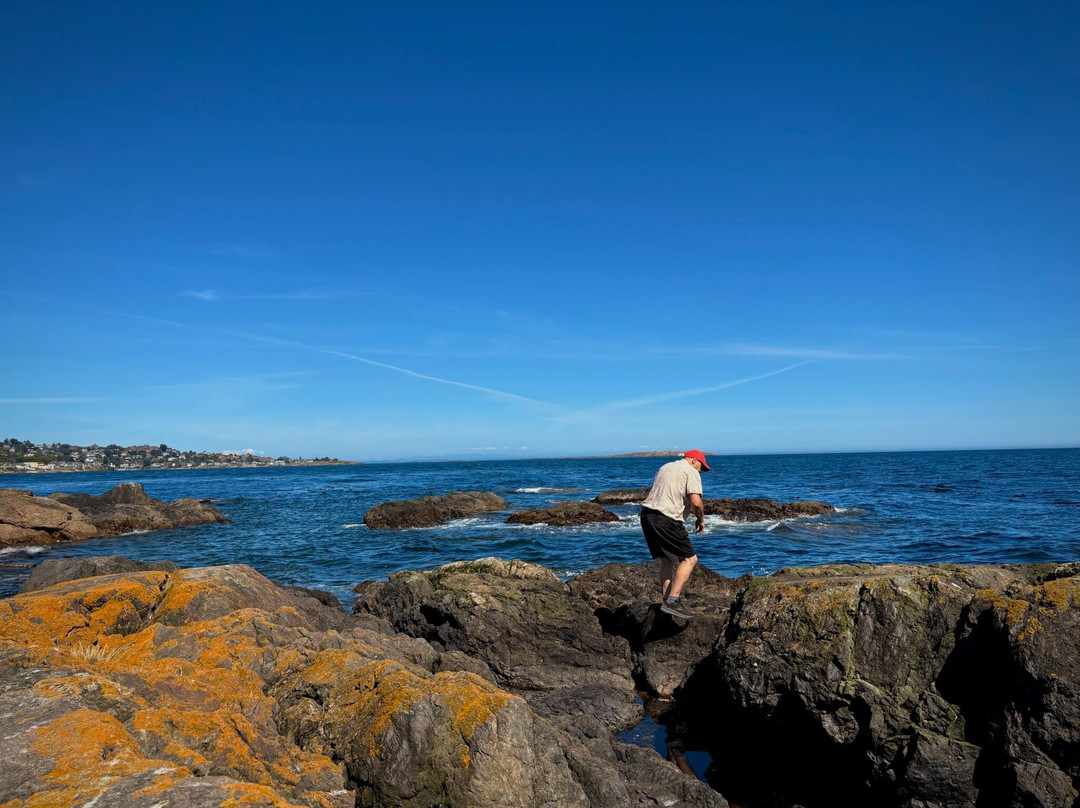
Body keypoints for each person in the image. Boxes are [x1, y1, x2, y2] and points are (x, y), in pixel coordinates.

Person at [639, 449, 710, 619]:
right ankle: (673, 600)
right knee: (690, 559)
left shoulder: (666, 467)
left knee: (667, 559)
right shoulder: (691, 471)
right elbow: (696, 502)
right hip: (667, 519)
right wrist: (700, 519)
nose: (701, 471)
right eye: (701, 466)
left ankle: (666, 601)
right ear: (693, 460)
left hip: (647, 516)